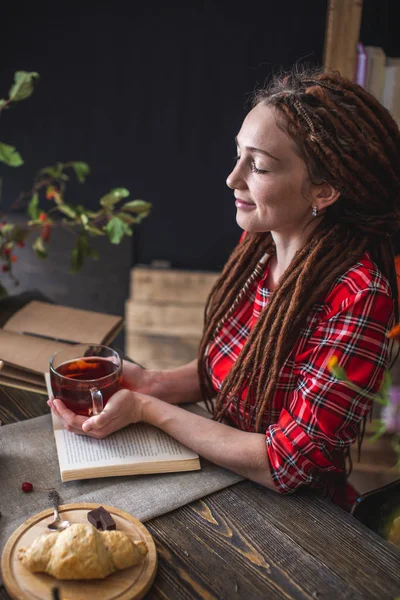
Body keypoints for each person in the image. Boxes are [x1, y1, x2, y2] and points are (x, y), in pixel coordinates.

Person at [48, 66, 400, 511]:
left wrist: (146, 408)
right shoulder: (258, 248)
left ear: (324, 190)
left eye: (259, 166)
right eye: (238, 155)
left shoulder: (361, 298)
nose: (233, 179)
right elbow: (233, 370)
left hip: (296, 519)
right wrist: (154, 383)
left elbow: (287, 464)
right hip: (222, 475)